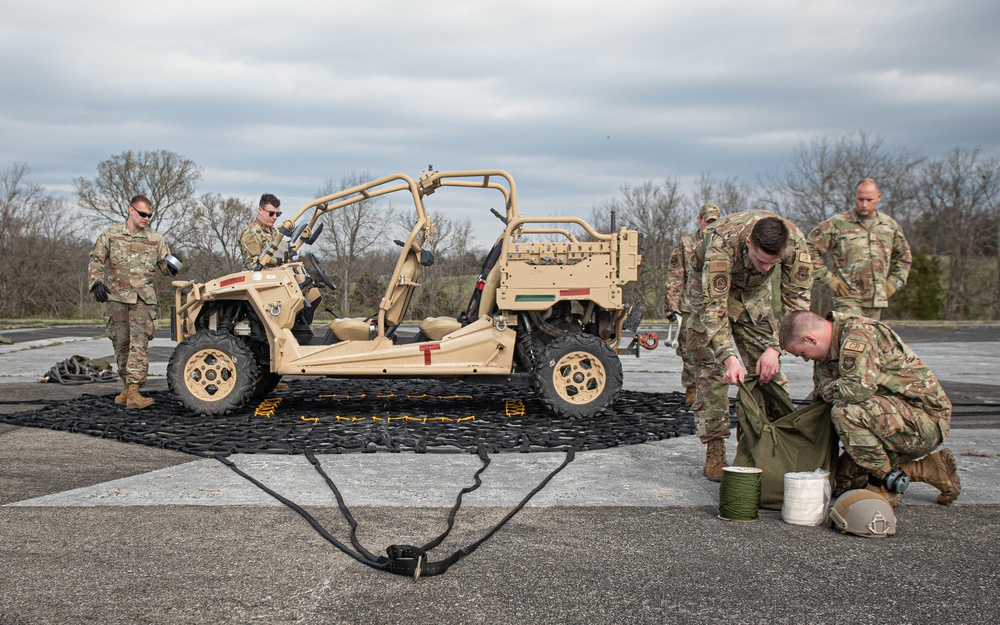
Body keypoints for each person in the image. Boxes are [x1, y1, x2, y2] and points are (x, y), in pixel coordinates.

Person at [779, 310, 960, 507]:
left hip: (923, 422)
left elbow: (856, 391)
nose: (805, 359)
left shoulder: (859, 335)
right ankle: (928, 469)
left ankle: (884, 484)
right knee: (839, 484)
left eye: (802, 353)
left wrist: (826, 388)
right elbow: (821, 400)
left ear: (810, 338)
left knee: (845, 412)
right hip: (884, 422)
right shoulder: (826, 354)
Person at [687, 210, 813, 481]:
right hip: (707, 292)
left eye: (773, 264)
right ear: (748, 244)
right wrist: (728, 358)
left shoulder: (795, 244)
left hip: (754, 298)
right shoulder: (721, 244)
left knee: (770, 373)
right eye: (760, 261)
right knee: (712, 371)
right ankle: (715, 448)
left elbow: (797, 306)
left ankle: (779, 443)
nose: (766, 268)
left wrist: (775, 348)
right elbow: (714, 309)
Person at [88, 195, 179, 410]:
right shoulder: (111, 235)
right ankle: (126, 388)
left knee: (139, 346)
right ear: (131, 211)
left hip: (142, 300)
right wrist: (96, 283)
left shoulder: (155, 239)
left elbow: (165, 267)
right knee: (121, 344)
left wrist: (174, 265)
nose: (146, 218)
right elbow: (96, 259)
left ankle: (135, 390)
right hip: (116, 298)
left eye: (149, 215)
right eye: (142, 214)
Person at [808, 178, 912, 320]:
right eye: (860, 199)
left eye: (869, 200)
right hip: (848, 298)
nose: (864, 204)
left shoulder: (889, 226)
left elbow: (904, 258)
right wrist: (830, 279)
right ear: (855, 197)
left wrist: (893, 284)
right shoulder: (838, 224)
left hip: (876, 300)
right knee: (853, 337)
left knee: (870, 339)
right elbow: (809, 248)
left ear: (879, 197)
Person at [664, 203, 720, 405]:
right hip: (689, 305)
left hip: (715, 306)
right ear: (699, 219)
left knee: (715, 350)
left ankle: (713, 391)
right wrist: (671, 305)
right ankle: (692, 389)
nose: (710, 225)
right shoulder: (686, 244)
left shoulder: (723, 244)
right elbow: (675, 276)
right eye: (707, 221)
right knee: (689, 351)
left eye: (714, 222)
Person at [240, 193, 283, 270]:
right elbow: (253, 265)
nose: (275, 217)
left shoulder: (273, 231)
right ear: (260, 210)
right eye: (271, 213)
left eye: (277, 214)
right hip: (260, 279)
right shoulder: (251, 233)